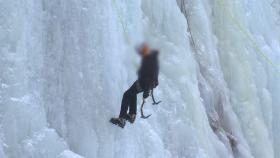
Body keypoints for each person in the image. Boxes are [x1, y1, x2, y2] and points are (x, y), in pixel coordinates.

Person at [110, 43, 160, 128]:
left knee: (126, 95)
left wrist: (146, 92)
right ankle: (132, 115)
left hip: (142, 84)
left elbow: (149, 78)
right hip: (143, 84)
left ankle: (122, 118)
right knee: (132, 94)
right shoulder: (153, 60)